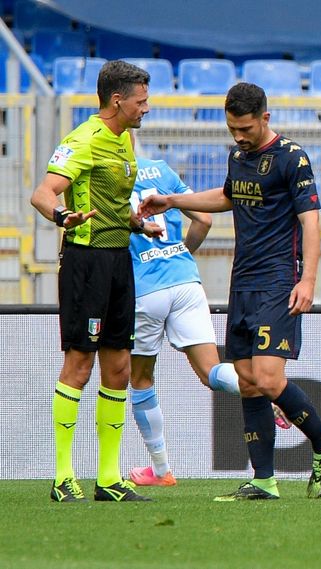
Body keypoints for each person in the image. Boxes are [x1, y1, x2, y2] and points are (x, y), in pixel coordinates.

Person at [138, 82, 321, 500]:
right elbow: (228, 196)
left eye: (246, 128)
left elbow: (311, 222)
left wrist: (308, 280)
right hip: (243, 281)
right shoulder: (238, 156)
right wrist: (174, 200)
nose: (239, 136)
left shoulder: (292, 158)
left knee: (267, 376)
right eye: (233, 128)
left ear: (265, 118)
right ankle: (264, 480)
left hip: (279, 280)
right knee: (247, 381)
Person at [127, 155, 294, 487]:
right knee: (211, 372)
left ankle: (161, 470)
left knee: (141, 378)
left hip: (144, 288)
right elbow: (203, 219)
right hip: (186, 281)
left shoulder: (105, 174)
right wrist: (180, 254)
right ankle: (269, 392)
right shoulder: (161, 169)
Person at [30, 60, 154, 502]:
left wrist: (138, 224)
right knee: (80, 364)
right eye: (141, 102)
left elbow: (112, 202)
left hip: (120, 259)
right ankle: (63, 476)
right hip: (86, 262)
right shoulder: (82, 139)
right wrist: (63, 215)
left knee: (119, 367)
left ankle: (108, 479)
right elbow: (42, 194)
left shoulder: (125, 140)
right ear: (117, 101)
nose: (146, 108)